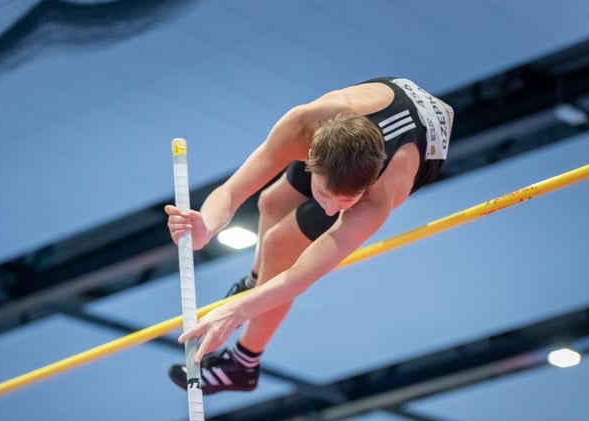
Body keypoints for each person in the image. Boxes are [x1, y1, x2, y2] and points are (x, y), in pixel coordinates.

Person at [164, 77, 454, 395]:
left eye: (346, 201)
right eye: (325, 194)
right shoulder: (301, 126)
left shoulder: (378, 197)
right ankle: (256, 283)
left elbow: (302, 276)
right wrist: (206, 224)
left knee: (280, 245)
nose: (331, 211)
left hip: (423, 144)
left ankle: (243, 365)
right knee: (270, 203)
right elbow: (231, 192)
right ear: (310, 158)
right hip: (385, 105)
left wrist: (240, 309)